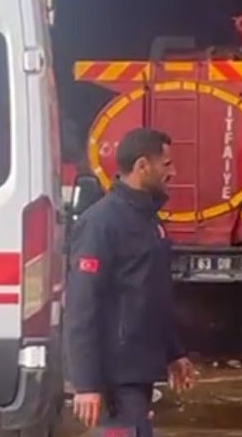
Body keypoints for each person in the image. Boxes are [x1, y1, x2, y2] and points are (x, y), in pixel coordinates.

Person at [65, 128, 195, 436]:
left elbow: (152, 296)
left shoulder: (148, 220)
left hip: (138, 371)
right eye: (167, 164)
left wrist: (174, 352)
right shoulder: (101, 224)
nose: (173, 172)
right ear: (142, 166)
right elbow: (82, 307)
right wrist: (86, 384)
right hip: (114, 378)